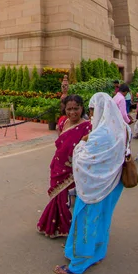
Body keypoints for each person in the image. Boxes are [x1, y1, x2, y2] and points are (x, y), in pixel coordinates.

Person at [54, 92, 128, 274]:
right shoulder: (123, 127)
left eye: (94, 110)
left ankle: (77, 265)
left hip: (94, 187)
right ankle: (97, 254)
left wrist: (81, 145)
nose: (92, 115)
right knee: (103, 218)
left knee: (85, 221)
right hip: (113, 184)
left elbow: (82, 158)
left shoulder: (99, 134)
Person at [37, 95, 91, 238]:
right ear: (64, 109)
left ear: (82, 108)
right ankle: (54, 225)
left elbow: (87, 151)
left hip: (72, 168)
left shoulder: (87, 127)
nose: (72, 112)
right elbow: (61, 142)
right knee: (56, 195)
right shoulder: (63, 122)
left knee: (63, 196)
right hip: (57, 165)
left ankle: (64, 227)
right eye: (69, 109)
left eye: (76, 108)